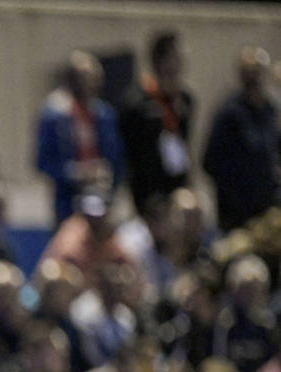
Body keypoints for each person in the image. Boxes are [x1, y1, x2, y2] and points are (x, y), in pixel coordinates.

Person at [36, 51, 125, 222]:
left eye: (93, 77)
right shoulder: (54, 116)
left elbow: (117, 158)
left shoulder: (105, 116)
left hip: (103, 200)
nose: (89, 83)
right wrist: (76, 172)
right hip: (68, 204)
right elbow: (42, 162)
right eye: (82, 77)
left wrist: (106, 174)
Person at [203, 47, 280, 232]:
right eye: (249, 73)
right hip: (237, 217)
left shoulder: (269, 111)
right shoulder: (229, 114)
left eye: (258, 73)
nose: (254, 79)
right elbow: (210, 162)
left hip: (267, 214)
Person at [117, 31, 194, 215]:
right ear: (160, 60)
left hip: (177, 191)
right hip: (148, 196)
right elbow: (128, 153)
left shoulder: (185, 100)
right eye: (176, 56)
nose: (182, 61)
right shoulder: (136, 102)